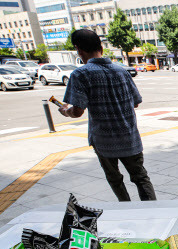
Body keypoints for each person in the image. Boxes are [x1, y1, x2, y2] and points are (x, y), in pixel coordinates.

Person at [58, 29, 156, 202]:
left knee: (115, 179)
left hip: (104, 140)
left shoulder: (80, 74)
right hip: (129, 137)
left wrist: (66, 111)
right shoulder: (121, 71)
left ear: (78, 50)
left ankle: (126, 208)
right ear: (101, 47)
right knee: (140, 177)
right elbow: (136, 102)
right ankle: (154, 211)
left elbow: (77, 111)